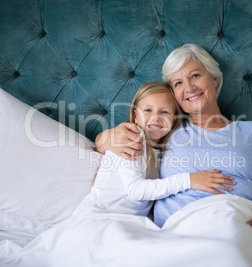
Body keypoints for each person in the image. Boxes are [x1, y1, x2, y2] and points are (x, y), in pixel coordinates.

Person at [95, 44, 252, 245]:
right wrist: (107, 137)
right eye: (178, 83)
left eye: (195, 75)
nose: (189, 88)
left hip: (244, 230)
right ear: (174, 95)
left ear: (214, 78)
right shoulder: (167, 128)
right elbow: (106, 144)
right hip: (180, 235)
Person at [80, 81, 234, 217]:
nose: (155, 117)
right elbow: (136, 190)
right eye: (147, 110)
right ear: (135, 116)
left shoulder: (159, 149)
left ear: (174, 120)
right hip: (101, 217)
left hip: (127, 221)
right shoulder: (133, 139)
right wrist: (189, 180)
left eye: (164, 112)